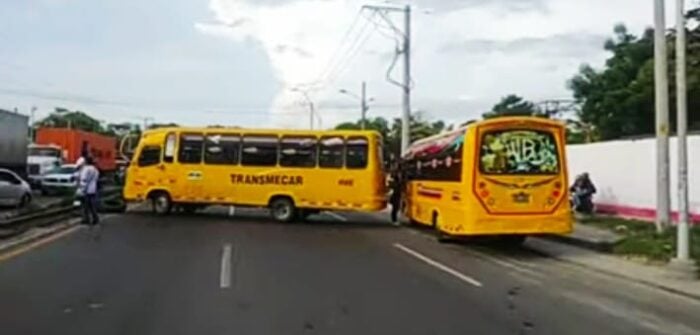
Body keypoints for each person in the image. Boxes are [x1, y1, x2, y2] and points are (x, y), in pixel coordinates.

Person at [78, 156, 100, 226]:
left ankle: (86, 219)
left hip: (86, 190)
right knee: (93, 206)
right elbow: (96, 178)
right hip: (93, 189)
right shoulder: (95, 169)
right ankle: (95, 219)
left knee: (85, 206)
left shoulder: (86, 169)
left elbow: (84, 180)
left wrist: (82, 190)